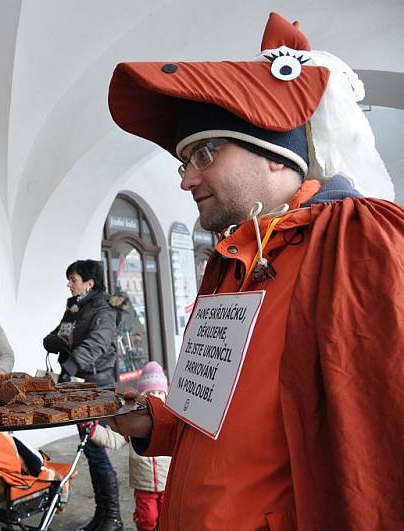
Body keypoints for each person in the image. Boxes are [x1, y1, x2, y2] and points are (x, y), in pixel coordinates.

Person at [105, 12, 404, 530]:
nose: (186, 179)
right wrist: (156, 422)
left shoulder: (360, 240)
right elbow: (229, 411)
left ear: (273, 155)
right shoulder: (232, 261)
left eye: (204, 153)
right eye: (183, 161)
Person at [43, 259, 122, 531]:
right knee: (89, 447)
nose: (69, 284)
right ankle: (104, 516)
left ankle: (111, 518)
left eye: (73, 279)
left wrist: (71, 365)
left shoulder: (103, 308)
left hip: (97, 385)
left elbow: (97, 342)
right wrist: (51, 339)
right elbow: (64, 334)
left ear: (89, 283)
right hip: (80, 384)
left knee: (95, 447)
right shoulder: (75, 307)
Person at [84, 362, 171, 531]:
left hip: (168, 483)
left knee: (167, 521)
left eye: (160, 392)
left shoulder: (170, 421)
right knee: (147, 521)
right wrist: (92, 429)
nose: (156, 396)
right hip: (144, 484)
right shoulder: (134, 422)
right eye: (150, 393)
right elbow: (113, 439)